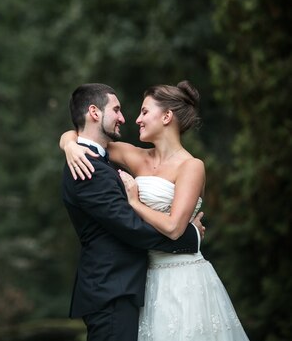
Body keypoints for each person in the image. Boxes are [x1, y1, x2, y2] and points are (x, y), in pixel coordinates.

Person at [61, 81, 249, 340]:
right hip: (146, 281)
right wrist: (67, 144)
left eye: (144, 112)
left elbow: (173, 226)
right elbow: (87, 137)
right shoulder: (135, 156)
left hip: (183, 277)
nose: (135, 119)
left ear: (167, 116)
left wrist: (135, 203)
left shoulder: (192, 166)